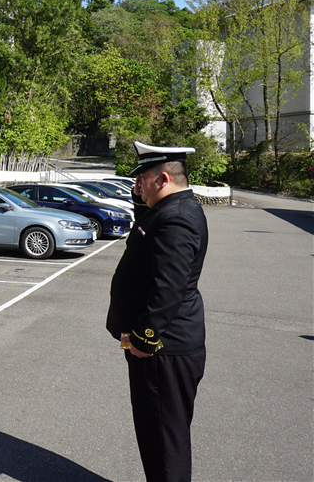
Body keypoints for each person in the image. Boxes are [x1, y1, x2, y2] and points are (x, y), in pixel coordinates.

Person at [106, 141, 209, 482]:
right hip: (160, 348)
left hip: (163, 349)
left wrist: (144, 340)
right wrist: (141, 198)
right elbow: (145, 231)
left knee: (165, 443)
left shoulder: (176, 219)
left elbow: (169, 288)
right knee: (155, 435)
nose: (137, 185)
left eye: (142, 179)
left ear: (163, 179)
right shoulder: (169, 209)